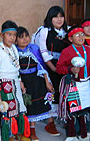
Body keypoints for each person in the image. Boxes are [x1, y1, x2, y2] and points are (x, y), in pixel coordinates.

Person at [31, 5, 70, 136]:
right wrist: (53, 68)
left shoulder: (68, 31)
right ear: (50, 18)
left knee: (64, 91)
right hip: (48, 64)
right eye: (55, 17)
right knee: (50, 92)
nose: (59, 19)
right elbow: (43, 51)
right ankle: (50, 122)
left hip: (64, 65)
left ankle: (67, 119)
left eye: (61, 16)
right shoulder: (44, 31)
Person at [0, 21, 30, 141]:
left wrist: (20, 81)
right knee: (7, 111)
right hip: (4, 84)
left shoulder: (14, 49)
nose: (12, 38)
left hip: (15, 83)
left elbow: (16, 69)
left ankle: (19, 133)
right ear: (2, 35)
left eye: (14, 35)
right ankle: (9, 136)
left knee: (19, 107)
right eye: (9, 34)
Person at [16, 26, 54, 140]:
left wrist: (47, 82)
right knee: (25, 106)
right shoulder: (14, 50)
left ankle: (32, 131)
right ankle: (23, 131)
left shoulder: (34, 48)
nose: (25, 39)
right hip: (22, 81)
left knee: (36, 106)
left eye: (26, 36)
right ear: (16, 39)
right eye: (21, 37)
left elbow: (41, 65)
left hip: (36, 81)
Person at [56, 26, 90, 141]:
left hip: (87, 84)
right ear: (70, 39)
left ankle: (84, 134)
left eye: (82, 34)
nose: (81, 37)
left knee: (86, 110)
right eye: (77, 35)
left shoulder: (88, 49)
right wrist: (70, 69)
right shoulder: (67, 51)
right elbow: (59, 68)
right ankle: (72, 135)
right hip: (73, 84)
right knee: (74, 110)